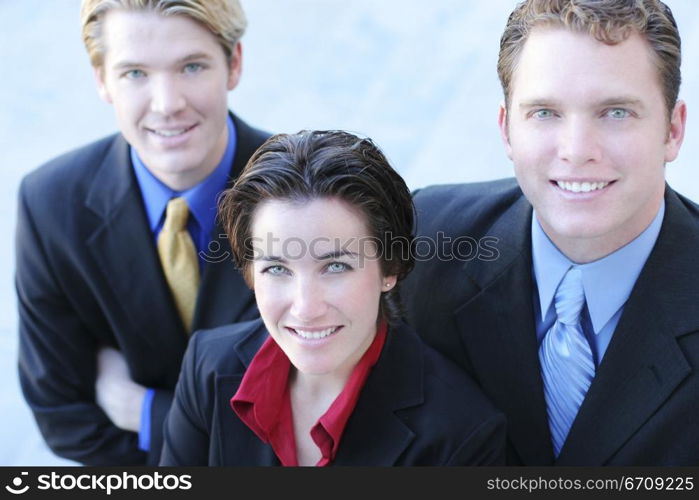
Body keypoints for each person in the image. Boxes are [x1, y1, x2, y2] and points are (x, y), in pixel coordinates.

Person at [402, 0, 699, 465]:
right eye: (544, 113)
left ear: (673, 130)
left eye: (616, 112)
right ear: (506, 131)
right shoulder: (423, 241)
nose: (577, 150)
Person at [16, 0, 269, 465]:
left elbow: (323, 412)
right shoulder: (50, 204)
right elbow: (63, 417)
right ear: (101, 81)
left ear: (233, 65)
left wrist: (147, 411)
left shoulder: (314, 194)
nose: (168, 104)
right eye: (135, 73)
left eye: (191, 66)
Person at [160, 130, 506, 466]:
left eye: (336, 266)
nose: (306, 308)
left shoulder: (461, 434)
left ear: (390, 269)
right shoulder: (208, 366)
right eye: (278, 269)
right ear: (250, 273)